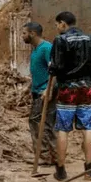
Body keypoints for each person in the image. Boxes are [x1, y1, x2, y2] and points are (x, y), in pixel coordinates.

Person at [48, 11, 91, 181]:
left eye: (57, 24)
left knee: (63, 129)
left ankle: (61, 170)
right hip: (87, 88)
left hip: (67, 89)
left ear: (63, 24)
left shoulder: (60, 40)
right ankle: (89, 169)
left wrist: (52, 68)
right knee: (88, 128)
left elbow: (55, 67)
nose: (57, 28)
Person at [22, 22, 56, 165]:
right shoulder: (36, 50)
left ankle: (44, 156)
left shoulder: (46, 48)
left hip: (45, 92)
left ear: (33, 33)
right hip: (37, 91)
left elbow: (55, 70)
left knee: (39, 122)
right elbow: (39, 71)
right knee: (42, 122)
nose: (22, 36)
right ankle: (52, 156)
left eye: (24, 33)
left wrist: (48, 90)